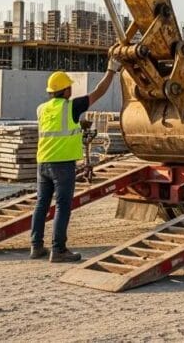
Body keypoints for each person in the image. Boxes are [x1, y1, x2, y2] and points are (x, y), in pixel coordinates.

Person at [29, 59, 122, 262]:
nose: (71, 89)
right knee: (62, 205)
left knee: (41, 204)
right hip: (62, 164)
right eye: (69, 87)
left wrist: (78, 124)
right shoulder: (72, 106)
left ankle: (36, 247)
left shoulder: (41, 109)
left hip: (43, 162)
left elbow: (57, 126)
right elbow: (99, 92)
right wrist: (111, 71)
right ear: (65, 90)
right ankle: (58, 250)